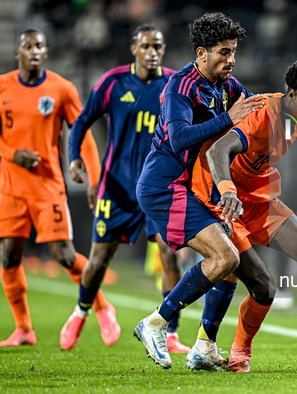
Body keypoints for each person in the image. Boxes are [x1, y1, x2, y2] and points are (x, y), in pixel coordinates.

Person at [190, 57, 297, 373]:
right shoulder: (263, 112)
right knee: (262, 286)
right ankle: (237, 349)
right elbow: (217, 151)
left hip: (258, 199)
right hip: (224, 199)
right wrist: (227, 190)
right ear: (291, 94)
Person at [132, 12, 264, 370]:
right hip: (164, 186)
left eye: (234, 51)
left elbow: (259, 110)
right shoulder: (179, 86)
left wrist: (293, 109)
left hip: (196, 189)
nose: (231, 60)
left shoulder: (229, 87)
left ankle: (204, 347)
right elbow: (178, 139)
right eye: (223, 52)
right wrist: (228, 119)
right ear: (201, 53)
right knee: (226, 258)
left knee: (231, 260)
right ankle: (155, 324)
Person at [59, 24, 189, 353]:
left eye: (157, 46)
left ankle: (169, 332)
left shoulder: (174, 84)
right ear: (134, 48)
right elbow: (82, 120)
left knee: (169, 257)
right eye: (146, 46)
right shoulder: (113, 82)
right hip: (116, 187)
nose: (152, 52)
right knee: (99, 259)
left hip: (159, 189)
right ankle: (82, 310)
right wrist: (75, 159)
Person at [0, 27, 114, 346]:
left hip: (47, 185)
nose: (34, 51)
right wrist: (13, 154)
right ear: (19, 53)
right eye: (28, 46)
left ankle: (102, 307)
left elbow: (81, 133)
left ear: (46, 51)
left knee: (65, 256)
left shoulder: (61, 89)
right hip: (10, 185)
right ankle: (24, 329)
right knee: (9, 256)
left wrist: (95, 179)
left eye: (39, 45)